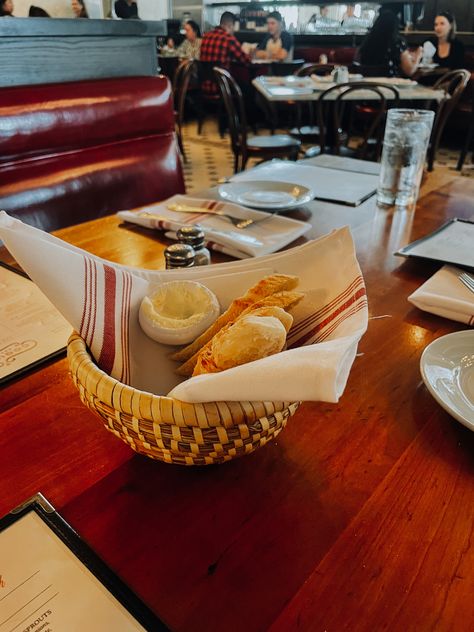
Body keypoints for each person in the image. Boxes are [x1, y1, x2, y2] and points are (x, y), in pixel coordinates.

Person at [200, 11, 251, 97]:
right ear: (230, 26)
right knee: (247, 86)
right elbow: (246, 61)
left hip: (203, 85)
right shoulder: (229, 39)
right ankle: (240, 110)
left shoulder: (205, 37)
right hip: (222, 87)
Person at [357, 10, 422, 77]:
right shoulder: (397, 42)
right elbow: (410, 71)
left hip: (368, 85)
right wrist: (418, 55)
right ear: (395, 26)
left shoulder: (367, 42)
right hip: (390, 86)